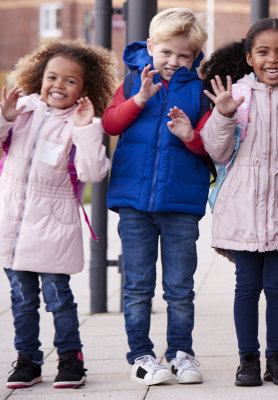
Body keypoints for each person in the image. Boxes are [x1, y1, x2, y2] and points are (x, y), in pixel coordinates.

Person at [198, 18, 278, 387]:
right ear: (249, 57)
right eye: (263, 52)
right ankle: (247, 359)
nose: (273, 59)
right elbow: (217, 152)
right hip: (242, 207)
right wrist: (223, 114)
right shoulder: (234, 94)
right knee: (246, 287)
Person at [101, 8, 210, 385]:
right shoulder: (134, 81)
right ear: (150, 47)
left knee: (180, 287)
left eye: (183, 56)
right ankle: (141, 355)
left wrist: (189, 135)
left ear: (194, 57)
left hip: (180, 205)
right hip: (134, 204)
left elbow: (211, 147)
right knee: (136, 286)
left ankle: (181, 352)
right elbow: (110, 123)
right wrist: (138, 100)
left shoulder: (200, 91)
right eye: (166, 52)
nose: (173, 62)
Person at [1, 39, 116, 389]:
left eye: (70, 81)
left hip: (54, 223)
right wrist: (4, 119)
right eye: (53, 77)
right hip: (12, 220)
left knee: (58, 298)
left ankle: (70, 359)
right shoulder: (22, 110)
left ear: (85, 87)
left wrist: (84, 129)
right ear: (39, 76)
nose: (59, 86)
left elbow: (93, 172)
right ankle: (27, 360)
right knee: (21, 300)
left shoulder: (80, 122)